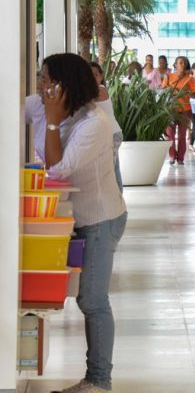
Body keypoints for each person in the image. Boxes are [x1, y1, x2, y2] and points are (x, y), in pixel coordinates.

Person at [26, 53, 127, 393]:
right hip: (69, 216)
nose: (40, 84)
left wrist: (53, 122)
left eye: (45, 78)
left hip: (100, 219)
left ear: (63, 85)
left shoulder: (94, 123)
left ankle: (99, 380)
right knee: (78, 297)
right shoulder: (41, 104)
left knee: (92, 300)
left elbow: (58, 169)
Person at [89, 62, 124, 192]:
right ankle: (118, 197)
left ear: (101, 76)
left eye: (96, 74)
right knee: (114, 169)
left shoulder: (100, 89)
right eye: (89, 74)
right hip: (109, 134)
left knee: (109, 170)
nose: (92, 77)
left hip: (111, 134)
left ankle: (115, 197)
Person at [161, 56, 195, 165]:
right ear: (175, 65)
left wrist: (185, 92)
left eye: (184, 63)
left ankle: (181, 158)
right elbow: (163, 91)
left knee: (182, 136)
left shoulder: (190, 79)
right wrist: (172, 90)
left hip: (185, 110)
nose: (183, 65)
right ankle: (172, 156)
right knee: (170, 135)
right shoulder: (168, 76)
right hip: (170, 109)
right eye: (180, 63)